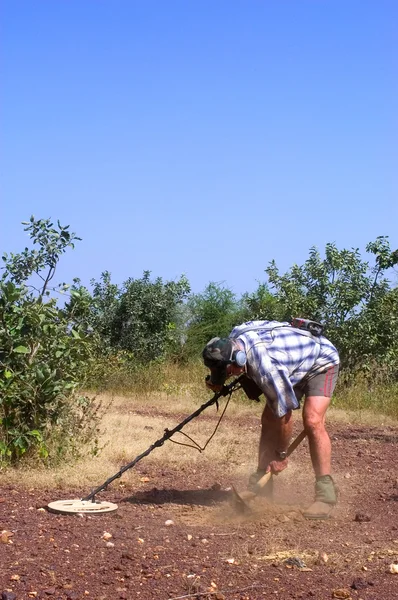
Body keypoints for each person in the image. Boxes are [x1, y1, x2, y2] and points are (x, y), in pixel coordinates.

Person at [202, 319, 340, 520]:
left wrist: (281, 455)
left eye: (228, 371)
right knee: (268, 419)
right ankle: (261, 485)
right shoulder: (235, 337)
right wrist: (216, 381)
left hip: (321, 361)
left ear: (240, 359)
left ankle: (326, 495)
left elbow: (285, 416)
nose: (228, 376)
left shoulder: (267, 369)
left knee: (312, 420)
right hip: (292, 362)